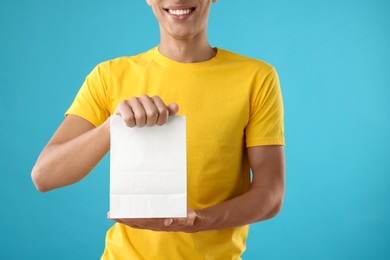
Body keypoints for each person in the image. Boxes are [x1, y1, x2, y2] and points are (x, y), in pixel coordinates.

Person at [31, 0, 286, 259]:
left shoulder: (257, 78)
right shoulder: (108, 76)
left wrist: (197, 221)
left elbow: (271, 193)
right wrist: (112, 127)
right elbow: (44, 175)